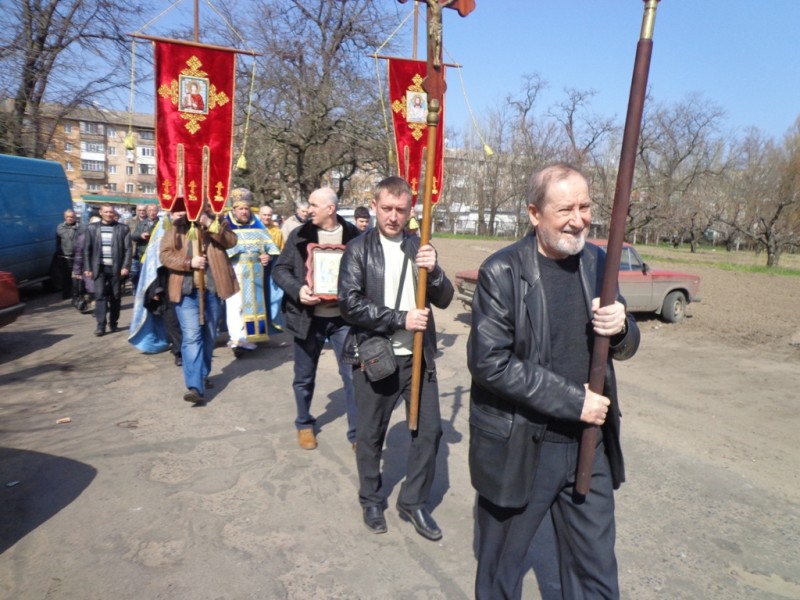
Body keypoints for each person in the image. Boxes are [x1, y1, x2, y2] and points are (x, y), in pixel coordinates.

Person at [467, 163, 641, 599]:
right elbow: (489, 362)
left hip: (589, 442)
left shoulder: (599, 261)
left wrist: (622, 327)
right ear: (533, 213)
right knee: (501, 571)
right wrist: (571, 400)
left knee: (596, 569)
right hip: (523, 444)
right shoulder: (502, 272)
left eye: (585, 206)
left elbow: (625, 342)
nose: (579, 219)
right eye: (565, 209)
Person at [338, 176, 454, 540]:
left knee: (429, 431)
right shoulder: (359, 249)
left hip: (418, 358)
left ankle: (414, 501)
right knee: (372, 434)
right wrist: (399, 319)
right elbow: (349, 304)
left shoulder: (419, 247)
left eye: (400, 210)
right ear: (374, 206)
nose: (392, 217)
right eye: (386, 208)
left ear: (410, 211)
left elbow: (446, 297)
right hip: (376, 356)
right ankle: (371, 498)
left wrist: (433, 270)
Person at [272, 187, 360, 450]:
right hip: (307, 319)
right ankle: (304, 424)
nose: (308, 209)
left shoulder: (355, 237)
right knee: (304, 376)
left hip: (344, 321)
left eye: (313, 205)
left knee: (353, 376)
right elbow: (280, 269)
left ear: (330, 209)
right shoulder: (301, 235)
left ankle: (357, 434)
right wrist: (298, 290)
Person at [160, 198, 238, 404]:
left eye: (202, 206)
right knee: (192, 337)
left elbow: (231, 241)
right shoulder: (176, 227)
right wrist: (188, 262)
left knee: (209, 335)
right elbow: (165, 255)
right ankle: (195, 386)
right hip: (186, 292)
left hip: (212, 289)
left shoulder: (217, 223)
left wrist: (208, 222)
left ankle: (202, 373)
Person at [224, 189, 281, 355]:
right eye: (240, 209)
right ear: (233, 210)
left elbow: (270, 249)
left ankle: (253, 336)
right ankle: (237, 339)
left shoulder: (258, 226)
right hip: (234, 270)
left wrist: (267, 257)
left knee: (255, 304)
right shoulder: (226, 227)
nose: (244, 211)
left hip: (256, 273)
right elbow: (221, 250)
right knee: (235, 305)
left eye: (246, 208)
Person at [83, 203, 132, 336]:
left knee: (115, 297)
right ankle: (101, 325)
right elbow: (87, 249)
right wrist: (87, 267)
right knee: (100, 296)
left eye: (111, 212)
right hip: (99, 268)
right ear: (101, 212)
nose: (109, 214)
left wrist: (125, 266)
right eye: (106, 212)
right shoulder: (92, 228)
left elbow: (128, 249)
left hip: (116, 268)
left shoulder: (123, 228)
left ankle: (113, 323)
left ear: (114, 213)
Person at [130, 204, 159, 291]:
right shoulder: (141, 223)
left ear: (157, 212)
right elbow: (133, 236)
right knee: (141, 276)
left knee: (154, 278)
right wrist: (140, 235)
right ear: (147, 212)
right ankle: (140, 293)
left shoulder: (161, 223)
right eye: (150, 211)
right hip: (143, 254)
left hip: (155, 255)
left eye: (154, 210)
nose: (152, 213)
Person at [55, 209, 81, 302]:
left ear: (75, 217)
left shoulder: (81, 227)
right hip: (65, 256)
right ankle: (66, 294)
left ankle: (78, 294)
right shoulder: (60, 228)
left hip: (78, 256)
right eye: (67, 217)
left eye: (71, 217)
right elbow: (58, 241)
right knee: (66, 277)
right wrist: (58, 253)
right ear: (64, 217)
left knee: (77, 277)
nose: (70, 218)